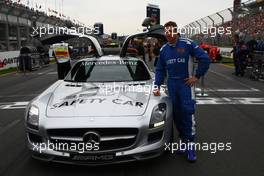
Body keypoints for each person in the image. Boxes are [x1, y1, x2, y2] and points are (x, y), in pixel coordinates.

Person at [153, 21, 210, 162]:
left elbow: (205, 59)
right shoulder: (163, 49)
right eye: (166, 32)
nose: (168, 34)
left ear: (176, 32)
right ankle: (183, 140)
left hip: (186, 84)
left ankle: (190, 145)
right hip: (172, 84)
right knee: (176, 115)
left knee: (187, 112)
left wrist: (196, 76)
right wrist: (157, 86)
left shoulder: (188, 43)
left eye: (171, 32)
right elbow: (160, 69)